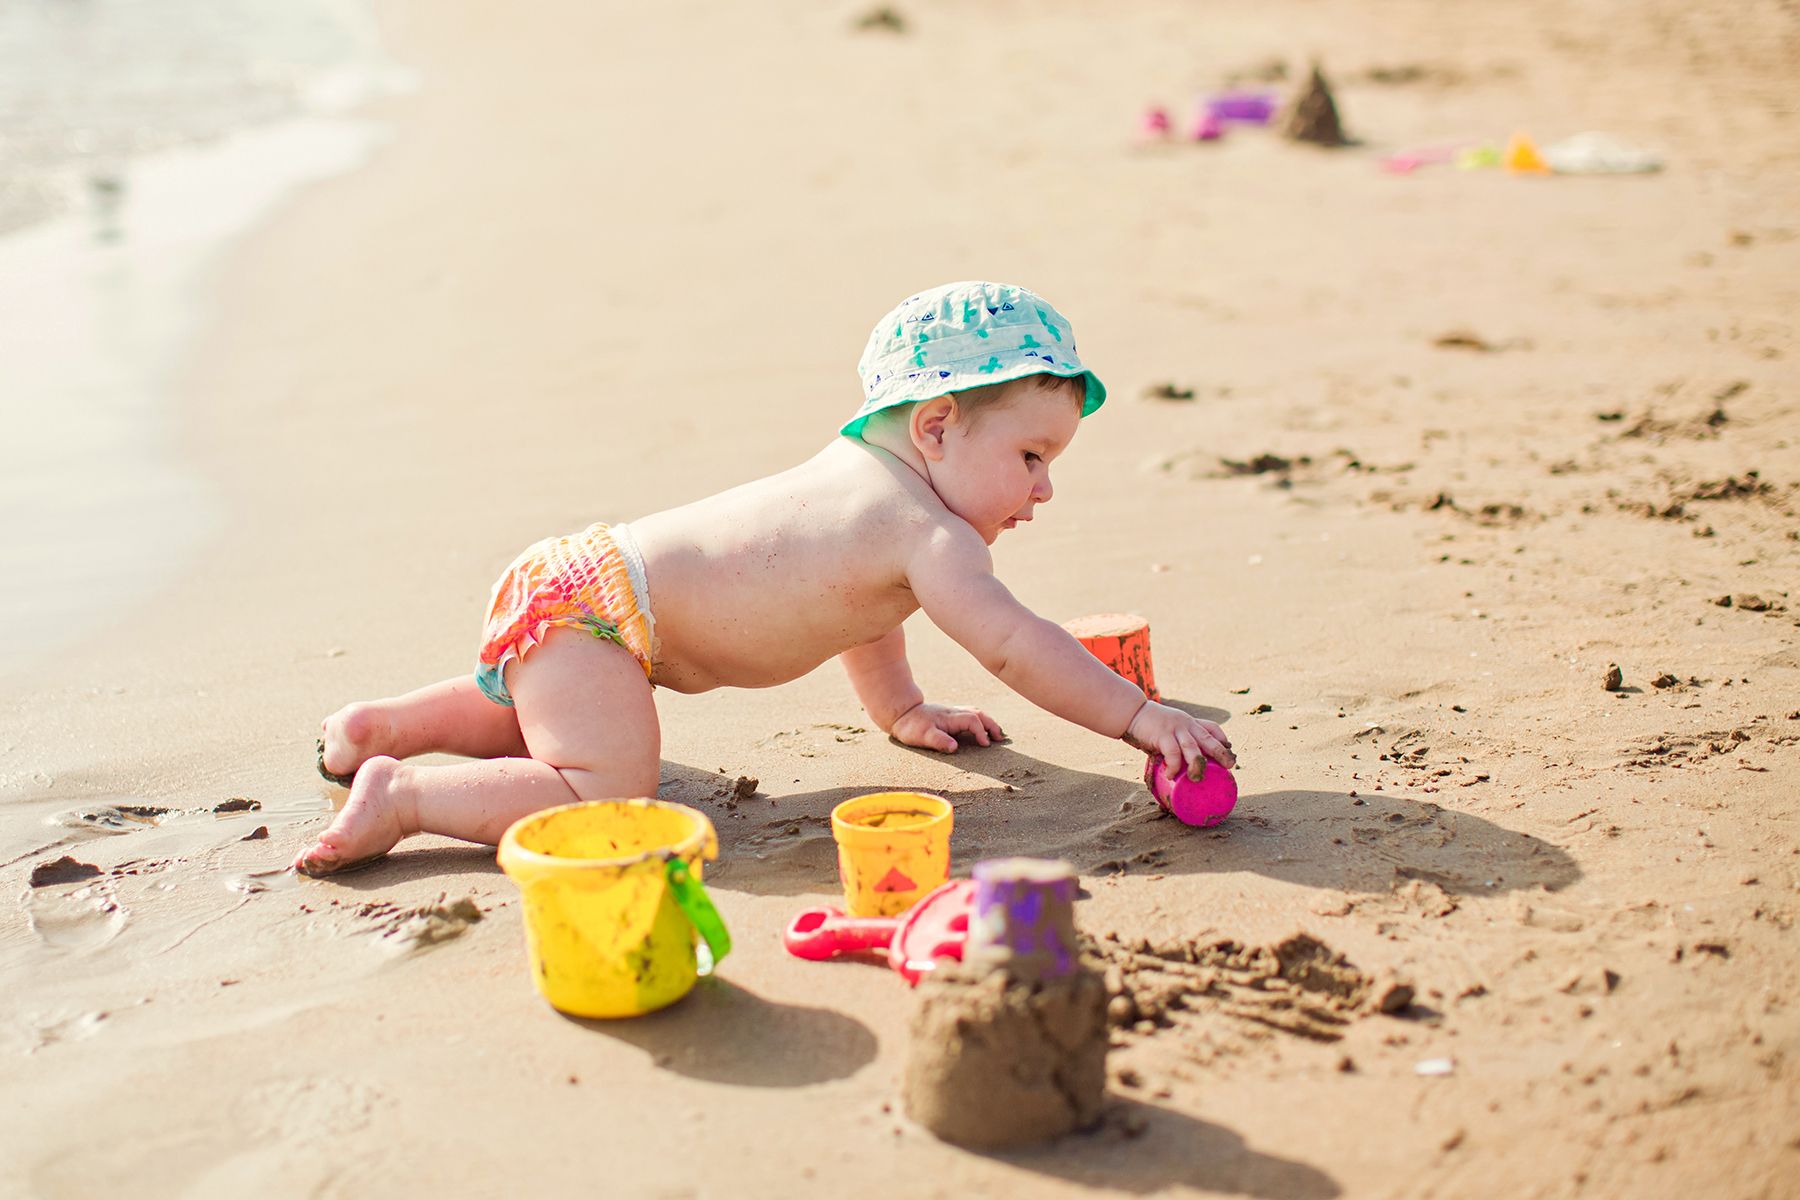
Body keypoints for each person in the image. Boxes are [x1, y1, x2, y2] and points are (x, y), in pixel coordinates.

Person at [296, 281, 1235, 875]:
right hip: (607, 621)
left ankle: (380, 724)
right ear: (937, 426)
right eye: (1031, 455)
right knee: (607, 789)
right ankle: (406, 796)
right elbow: (1017, 646)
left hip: (579, 587)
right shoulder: (932, 536)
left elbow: (862, 609)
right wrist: (1140, 718)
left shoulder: (865, 488)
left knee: (538, 712)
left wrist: (901, 710)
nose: (1046, 485)